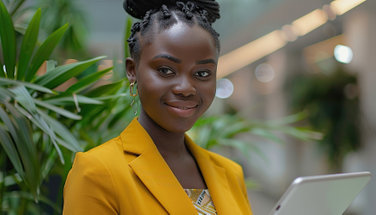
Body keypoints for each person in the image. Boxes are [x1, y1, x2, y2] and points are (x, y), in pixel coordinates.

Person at [63, 0, 252, 214]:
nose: (185, 88)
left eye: (202, 74)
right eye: (166, 70)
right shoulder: (98, 172)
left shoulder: (230, 173)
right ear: (132, 70)